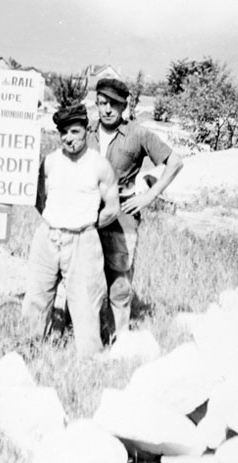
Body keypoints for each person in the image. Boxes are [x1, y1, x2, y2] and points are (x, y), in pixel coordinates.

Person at [22, 103, 120, 358]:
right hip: (48, 236)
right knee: (36, 296)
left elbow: (112, 208)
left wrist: (85, 226)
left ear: (86, 130)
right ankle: (31, 351)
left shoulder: (100, 165)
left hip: (83, 240)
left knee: (87, 302)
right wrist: (56, 220)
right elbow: (38, 197)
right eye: (63, 132)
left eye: (75, 131)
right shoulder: (51, 162)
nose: (69, 138)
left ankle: (91, 359)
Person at [91, 78, 184, 337]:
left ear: (124, 105)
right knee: (83, 273)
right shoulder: (85, 130)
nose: (107, 109)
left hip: (122, 214)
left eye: (114, 104)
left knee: (119, 279)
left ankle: (119, 338)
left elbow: (175, 162)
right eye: (102, 103)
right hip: (87, 213)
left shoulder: (138, 133)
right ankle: (82, 331)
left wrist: (149, 196)